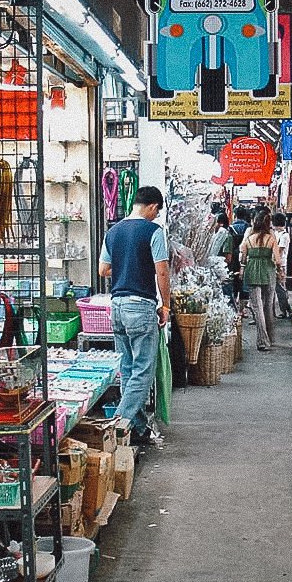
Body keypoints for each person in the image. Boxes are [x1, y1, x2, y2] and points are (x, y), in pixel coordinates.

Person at [98, 185, 170, 447]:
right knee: (143, 371)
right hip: (140, 306)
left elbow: (103, 270)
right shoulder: (153, 231)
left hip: (116, 307)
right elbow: (162, 272)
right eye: (157, 211)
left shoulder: (113, 231)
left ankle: (137, 428)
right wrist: (166, 306)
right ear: (152, 206)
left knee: (128, 368)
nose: (156, 216)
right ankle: (118, 423)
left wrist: (127, 263)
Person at [240, 210, 284, 351]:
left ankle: (262, 341)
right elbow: (278, 260)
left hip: (252, 272)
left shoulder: (248, 240)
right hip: (268, 272)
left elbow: (243, 259)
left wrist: (242, 268)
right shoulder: (271, 239)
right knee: (267, 306)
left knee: (257, 308)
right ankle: (269, 337)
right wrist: (279, 270)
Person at [228, 206, 251, 314]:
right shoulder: (248, 228)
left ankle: (234, 308)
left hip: (233, 257)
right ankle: (243, 309)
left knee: (234, 280)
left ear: (235, 215)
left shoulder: (231, 228)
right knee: (243, 282)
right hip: (245, 256)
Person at [271, 212, 292, 319]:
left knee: (280, 288)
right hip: (276, 264)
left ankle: (285, 309)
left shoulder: (284, 235)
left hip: (280, 265)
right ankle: (284, 309)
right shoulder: (276, 233)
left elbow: (279, 251)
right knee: (278, 287)